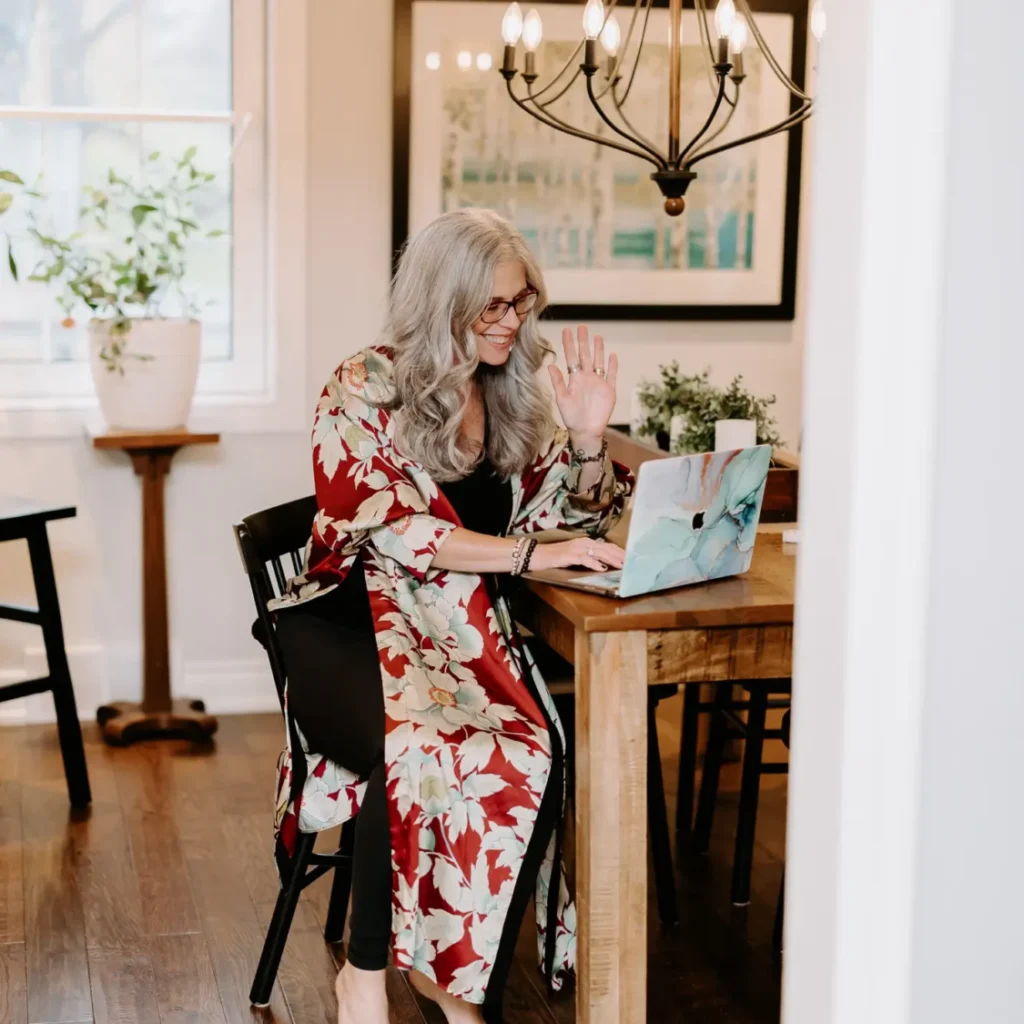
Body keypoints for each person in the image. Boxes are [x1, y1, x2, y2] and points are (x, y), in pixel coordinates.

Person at [270, 208, 633, 1024]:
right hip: (348, 620)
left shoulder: (509, 393)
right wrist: (528, 557)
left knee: (523, 751)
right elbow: (396, 528)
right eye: (493, 307)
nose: (512, 323)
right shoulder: (362, 386)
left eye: (522, 304)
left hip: (451, 633)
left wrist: (584, 438)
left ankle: (448, 981)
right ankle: (364, 980)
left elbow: (569, 517)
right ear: (444, 300)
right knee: (416, 741)